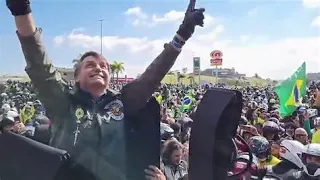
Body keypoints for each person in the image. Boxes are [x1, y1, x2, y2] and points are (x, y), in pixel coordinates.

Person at [5, 0, 205, 180]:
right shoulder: (64, 101)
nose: (99, 68)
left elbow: (154, 74)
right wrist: (21, 10)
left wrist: (182, 34)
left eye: (104, 66)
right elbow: (39, 65)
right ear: (76, 76)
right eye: (90, 64)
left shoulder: (124, 102)